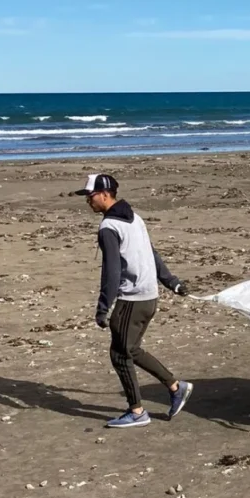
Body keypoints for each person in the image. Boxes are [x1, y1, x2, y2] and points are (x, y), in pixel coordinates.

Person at [74, 174, 193, 428]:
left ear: (105, 194)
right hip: (149, 297)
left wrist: (103, 307)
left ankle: (138, 412)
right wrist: (170, 282)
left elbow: (112, 271)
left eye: (90, 196)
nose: (88, 202)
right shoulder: (135, 218)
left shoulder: (109, 227)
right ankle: (175, 387)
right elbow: (152, 253)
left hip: (132, 299)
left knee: (120, 354)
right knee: (132, 349)